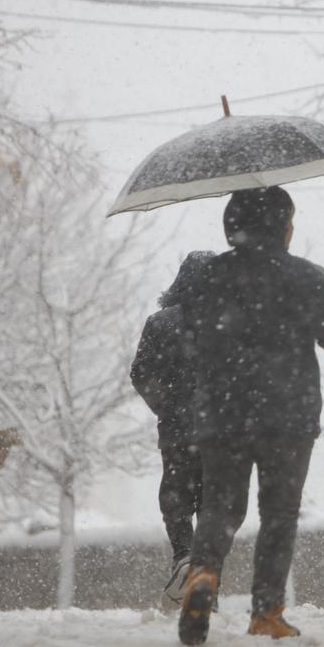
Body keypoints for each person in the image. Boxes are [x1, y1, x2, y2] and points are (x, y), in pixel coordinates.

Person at [172, 187, 324, 646]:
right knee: (279, 513)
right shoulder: (302, 276)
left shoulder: (209, 276)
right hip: (287, 415)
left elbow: (187, 336)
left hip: (223, 414)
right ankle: (266, 611)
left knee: (220, 506)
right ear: (285, 227)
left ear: (231, 226)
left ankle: (203, 573)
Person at [130, 250, 213, 612]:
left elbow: (140, 373)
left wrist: (165, 406)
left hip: (178, 431)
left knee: (177, 500)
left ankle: (183, 557)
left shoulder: (159, 323)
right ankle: (206, 575)